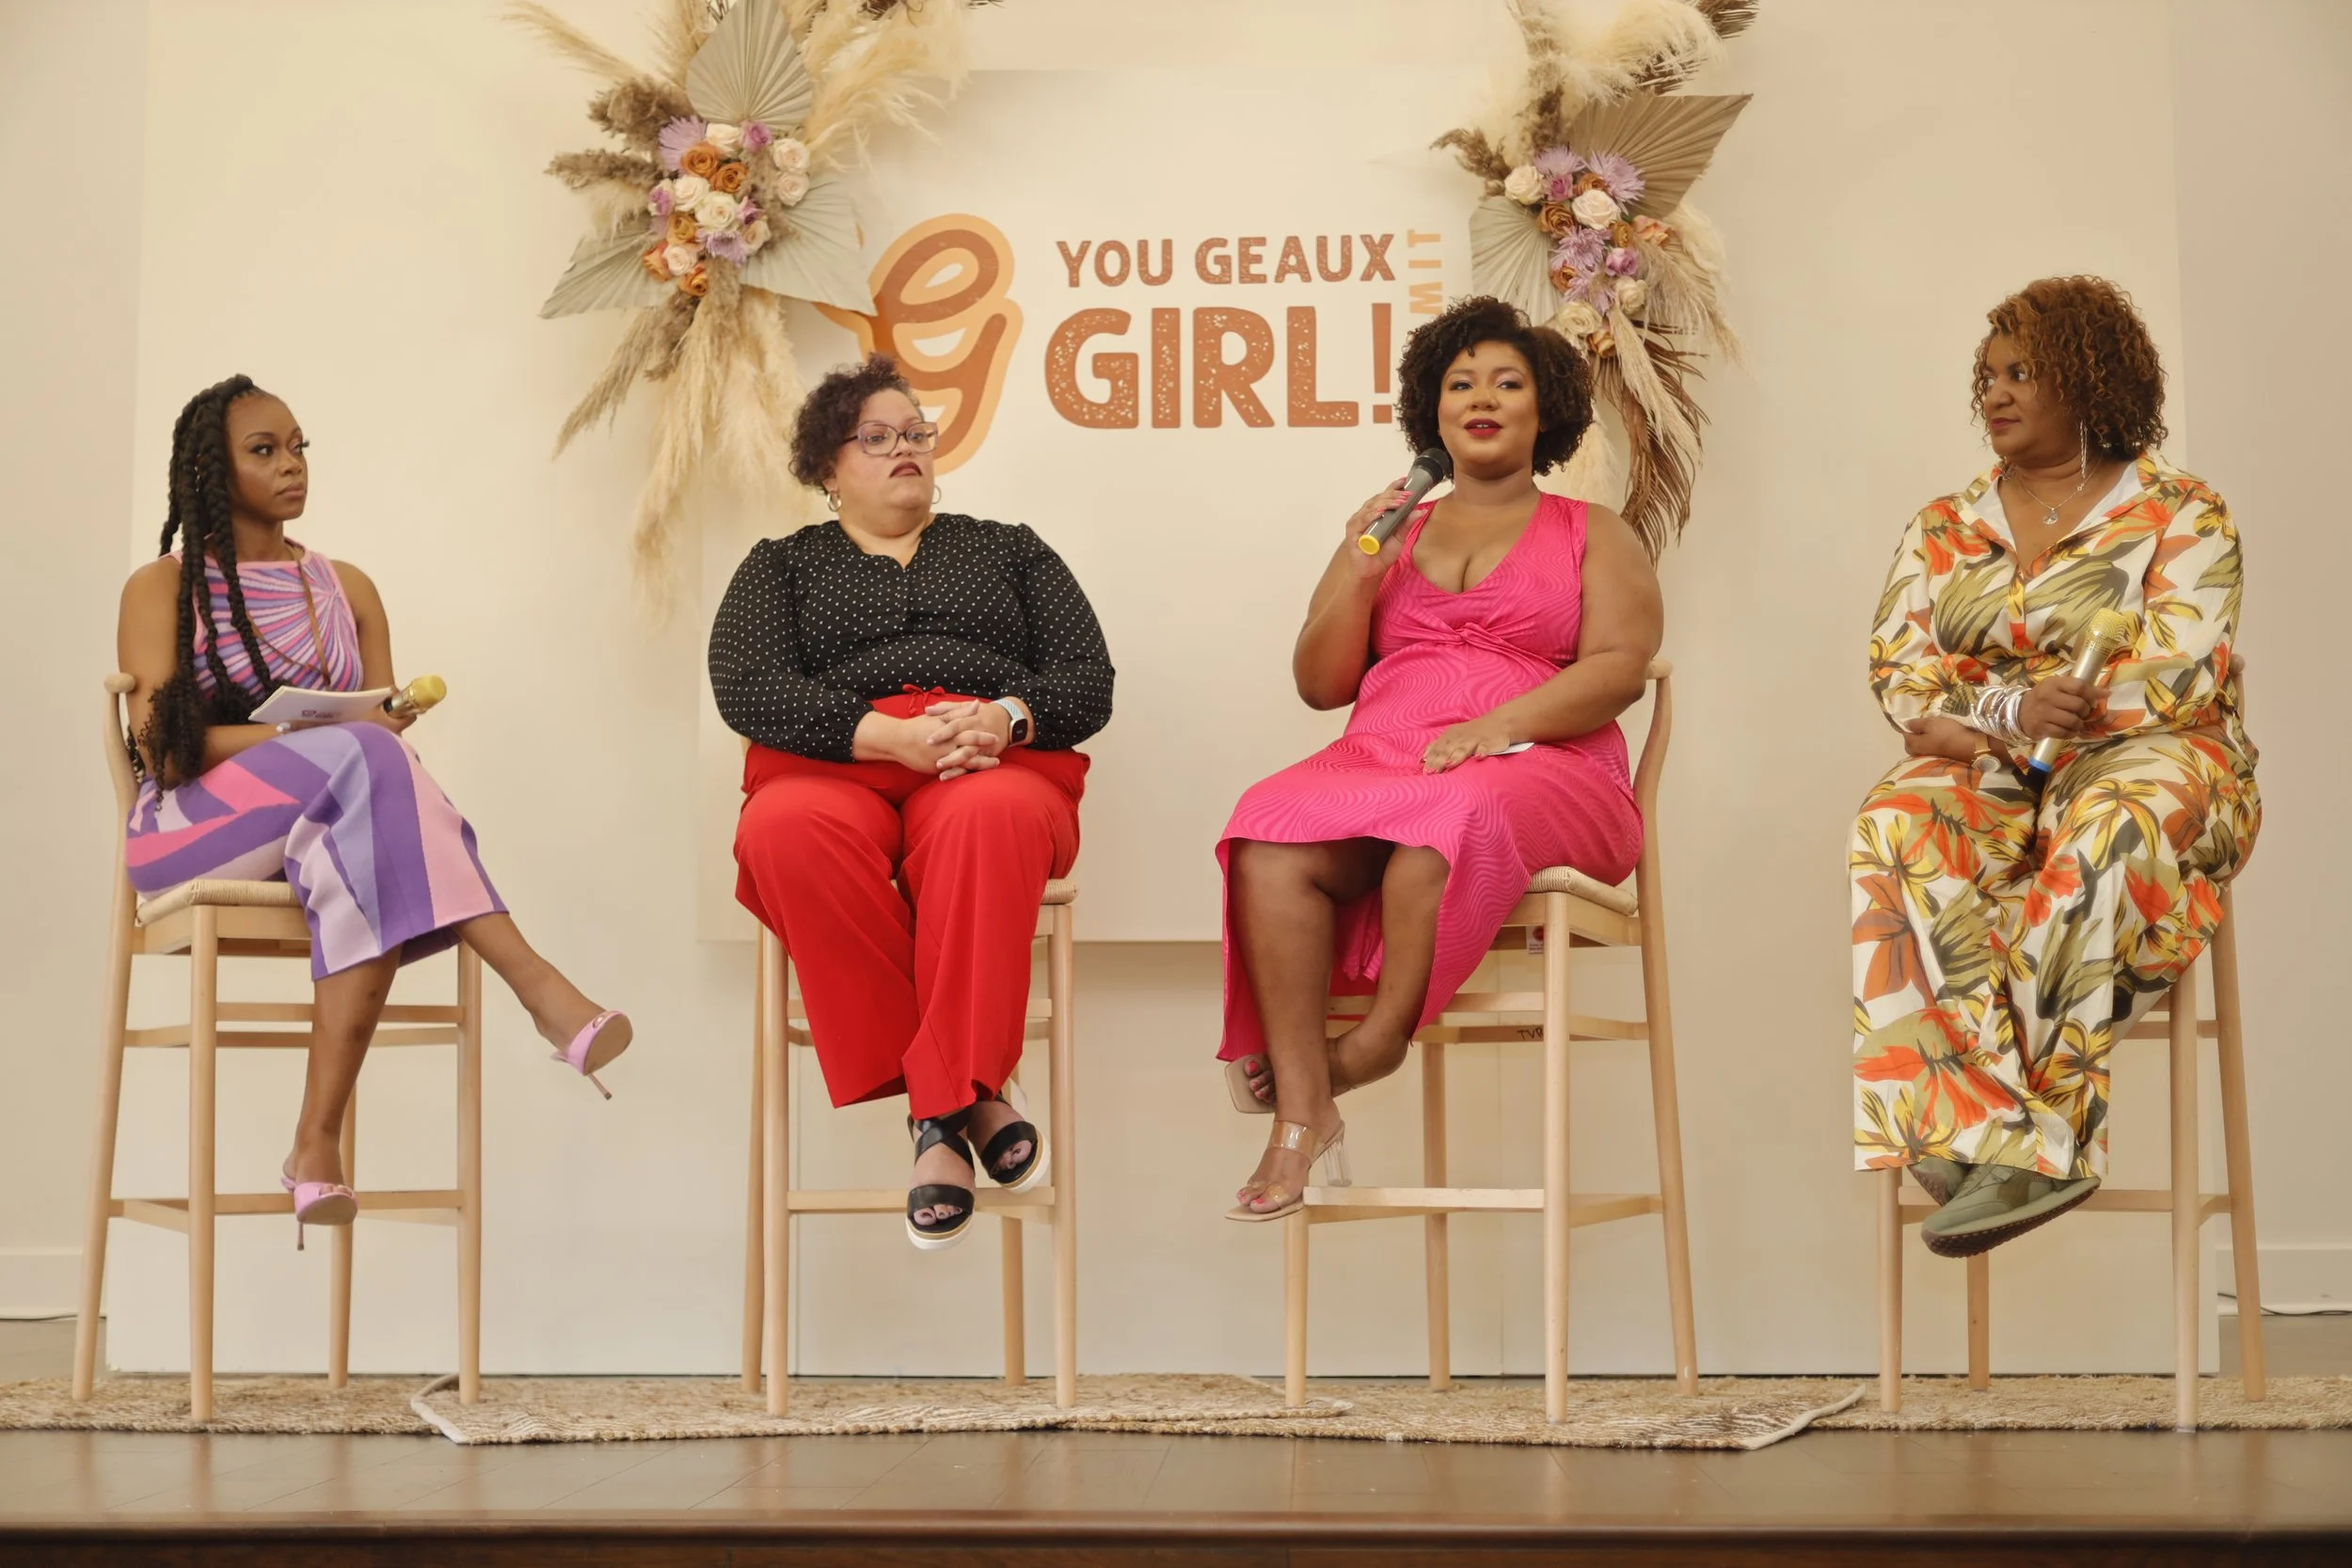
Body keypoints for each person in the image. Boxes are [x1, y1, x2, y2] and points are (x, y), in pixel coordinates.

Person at [117, 375, 631, 1244]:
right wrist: (316, 737)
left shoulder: (344, 586)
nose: (293, 466)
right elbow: (162, 750)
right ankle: (540, 987)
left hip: (324, 827)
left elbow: (380, 754)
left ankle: (314, 1147)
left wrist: (367, 724)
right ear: (211, 468)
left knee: (371, 796)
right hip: (189, 830)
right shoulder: (159, 586)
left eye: (300, 447)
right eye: (265, 450)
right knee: (366, 756)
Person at [1216, 295, 1662, 1222]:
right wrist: (1358, 569)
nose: (1481, 398)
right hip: (1387, 757)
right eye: (1460, 383)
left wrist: (1498, 727)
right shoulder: (1392, 532)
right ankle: (1304, 1113)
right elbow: (1319, 680)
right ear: (1434, 410)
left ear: (1545, 411)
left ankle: (1373, 1044)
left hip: (1549, 764)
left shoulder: (1595, 533)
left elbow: (1620, 667)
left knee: (1447, 816)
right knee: (1265, 827)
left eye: (1507, 382)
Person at [1852, 276, 2258, 1257]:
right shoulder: (1942, 527)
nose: (1994, 393)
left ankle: (2016, 1138)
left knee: (2106, 827)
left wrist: (1994, 714)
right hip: (2000, 768)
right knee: (1894, 822)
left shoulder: (2181, 513)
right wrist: (2000, 713)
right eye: (1985, 376)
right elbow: (1901, 676)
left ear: (2089, 378)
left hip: (2164, 757)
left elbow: (2177, 672)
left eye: (2021, 372)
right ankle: (1980, 1127)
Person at [708, 353, 1114, 1251]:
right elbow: (746, 687)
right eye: (878, 437)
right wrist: (881, 734)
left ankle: (937, 1124)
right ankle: (968, 1101)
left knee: (990, 819)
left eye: (917, 434)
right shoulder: (781, 566)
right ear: (827, 468)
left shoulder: (1008, 547)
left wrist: (1007, 718)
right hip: (831, 760)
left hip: (987, 760)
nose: (907, 450)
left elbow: (1089, 680)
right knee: (782, 831)